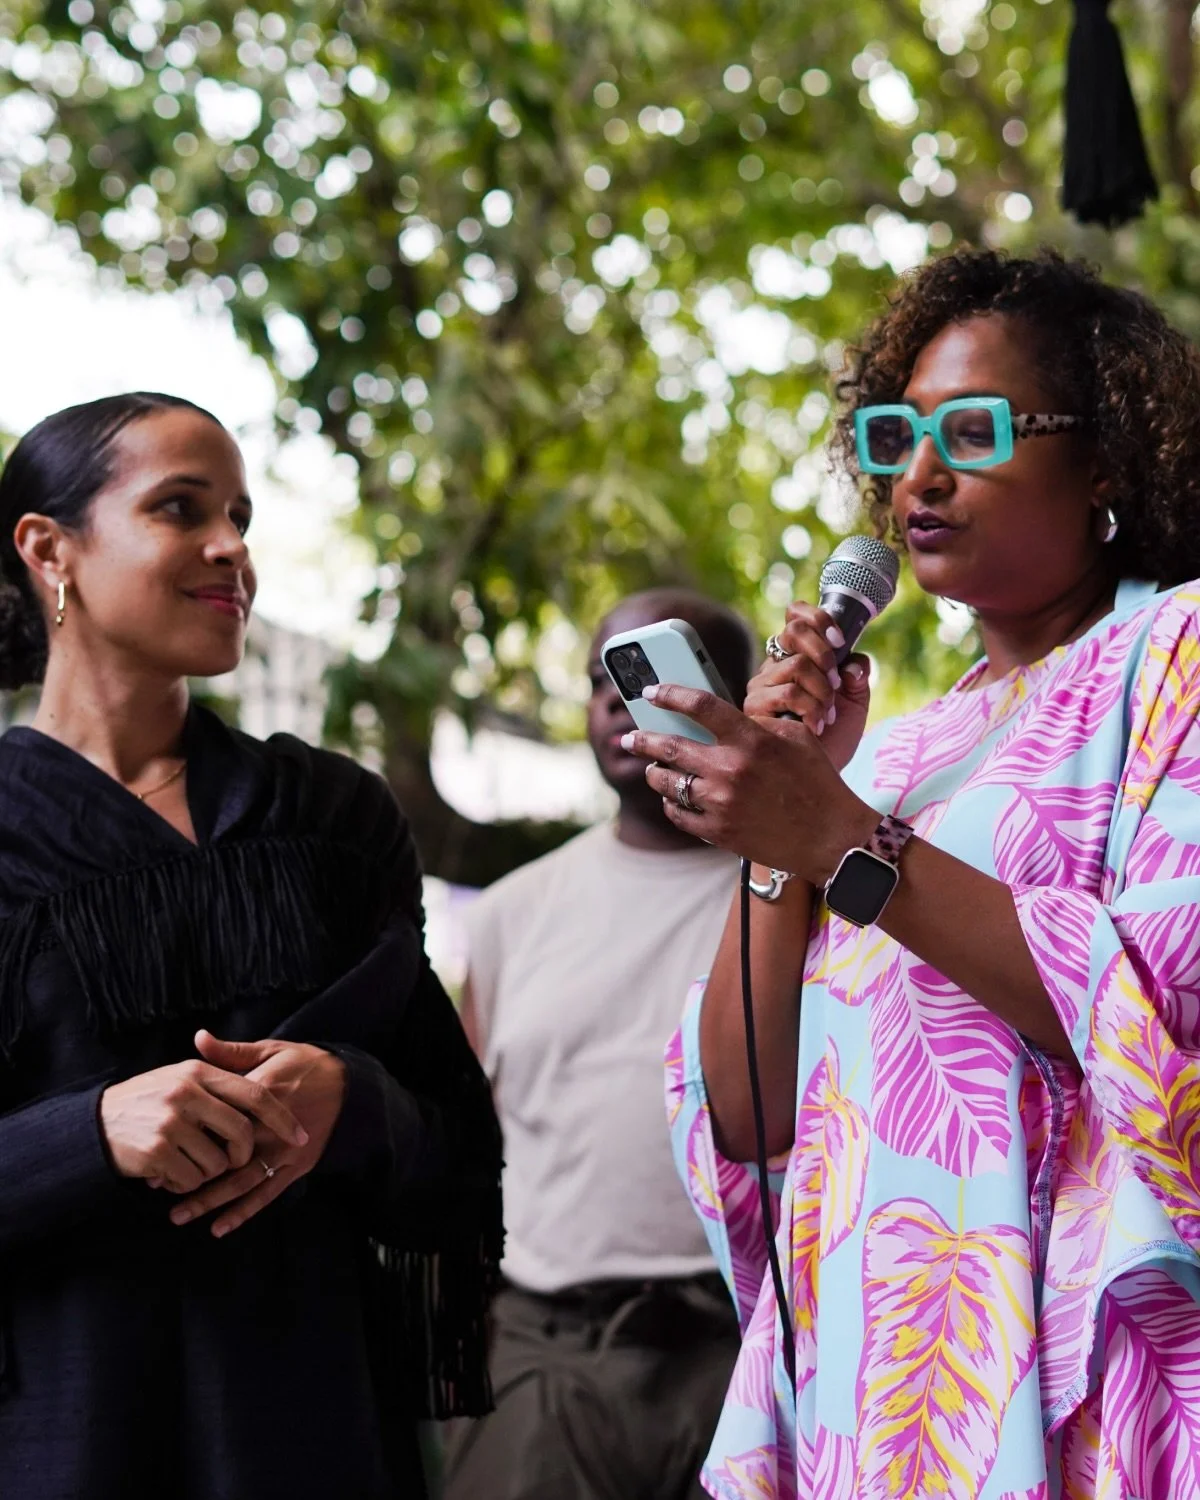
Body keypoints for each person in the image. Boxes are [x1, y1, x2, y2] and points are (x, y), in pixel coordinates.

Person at [620, 250, 1200, 1497]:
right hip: (890, 1381)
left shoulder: (1178, 652)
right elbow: (748, 1114)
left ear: (1103, 458)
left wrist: (833, 834)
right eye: (897, 436)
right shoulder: (900, 752)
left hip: (1084, 1374)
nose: (919, 478)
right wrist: (788, 832)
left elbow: (1157, 1023)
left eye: (974, 432)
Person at [0, 393, 503, 1500]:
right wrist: (90, 1132)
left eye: (239, 513)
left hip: (316, 1434)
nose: (232, 547)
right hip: (63, 1447)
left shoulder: (331, 818)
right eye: (181, 509)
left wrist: (350, 1100)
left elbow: (459, 1167)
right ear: (51, 550)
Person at [443, 589, 754, 1500]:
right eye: (601, 681)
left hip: (744, 1352)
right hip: (543, 1360)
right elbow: (468, 1147)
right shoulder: (508, 915)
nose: (621, 698)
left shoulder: (797, 899)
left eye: (650, 669)